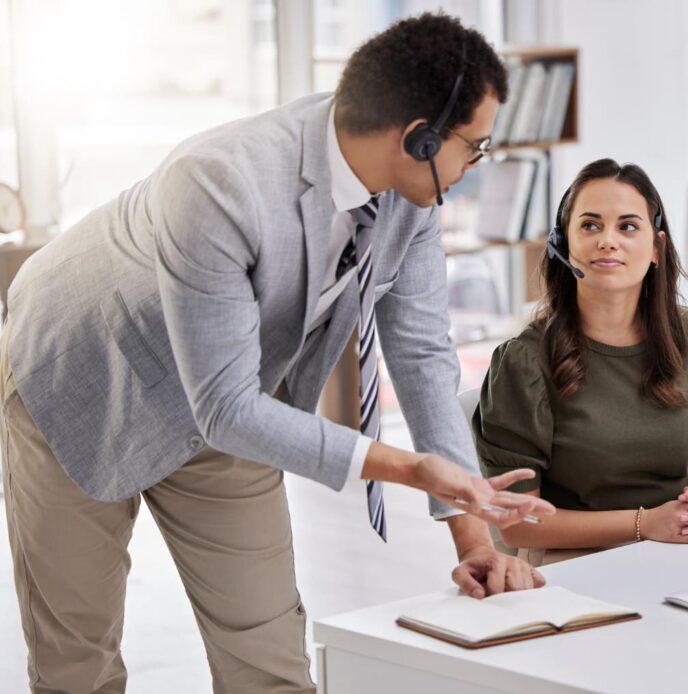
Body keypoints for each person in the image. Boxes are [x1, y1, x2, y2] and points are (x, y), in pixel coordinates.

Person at [0, 12, 553, 693]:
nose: (475, 165)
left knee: (268, 656)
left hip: (231, 395)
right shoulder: (220, 182)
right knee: (75, 658)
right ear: (420, 138)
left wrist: (473, 540)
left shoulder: (413, 198)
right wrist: (408, 468)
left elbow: (420, 353)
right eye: (475, 146)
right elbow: (226, 405)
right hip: (85, 373)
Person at [473, 158, 688, 566]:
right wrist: (644, 524)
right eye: (590, 225)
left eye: (628, 226)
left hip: (679, 549)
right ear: (562, 245)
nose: (608, 241)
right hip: (573, 564)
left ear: (656, 248)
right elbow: (516, 524)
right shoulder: (524, 363)